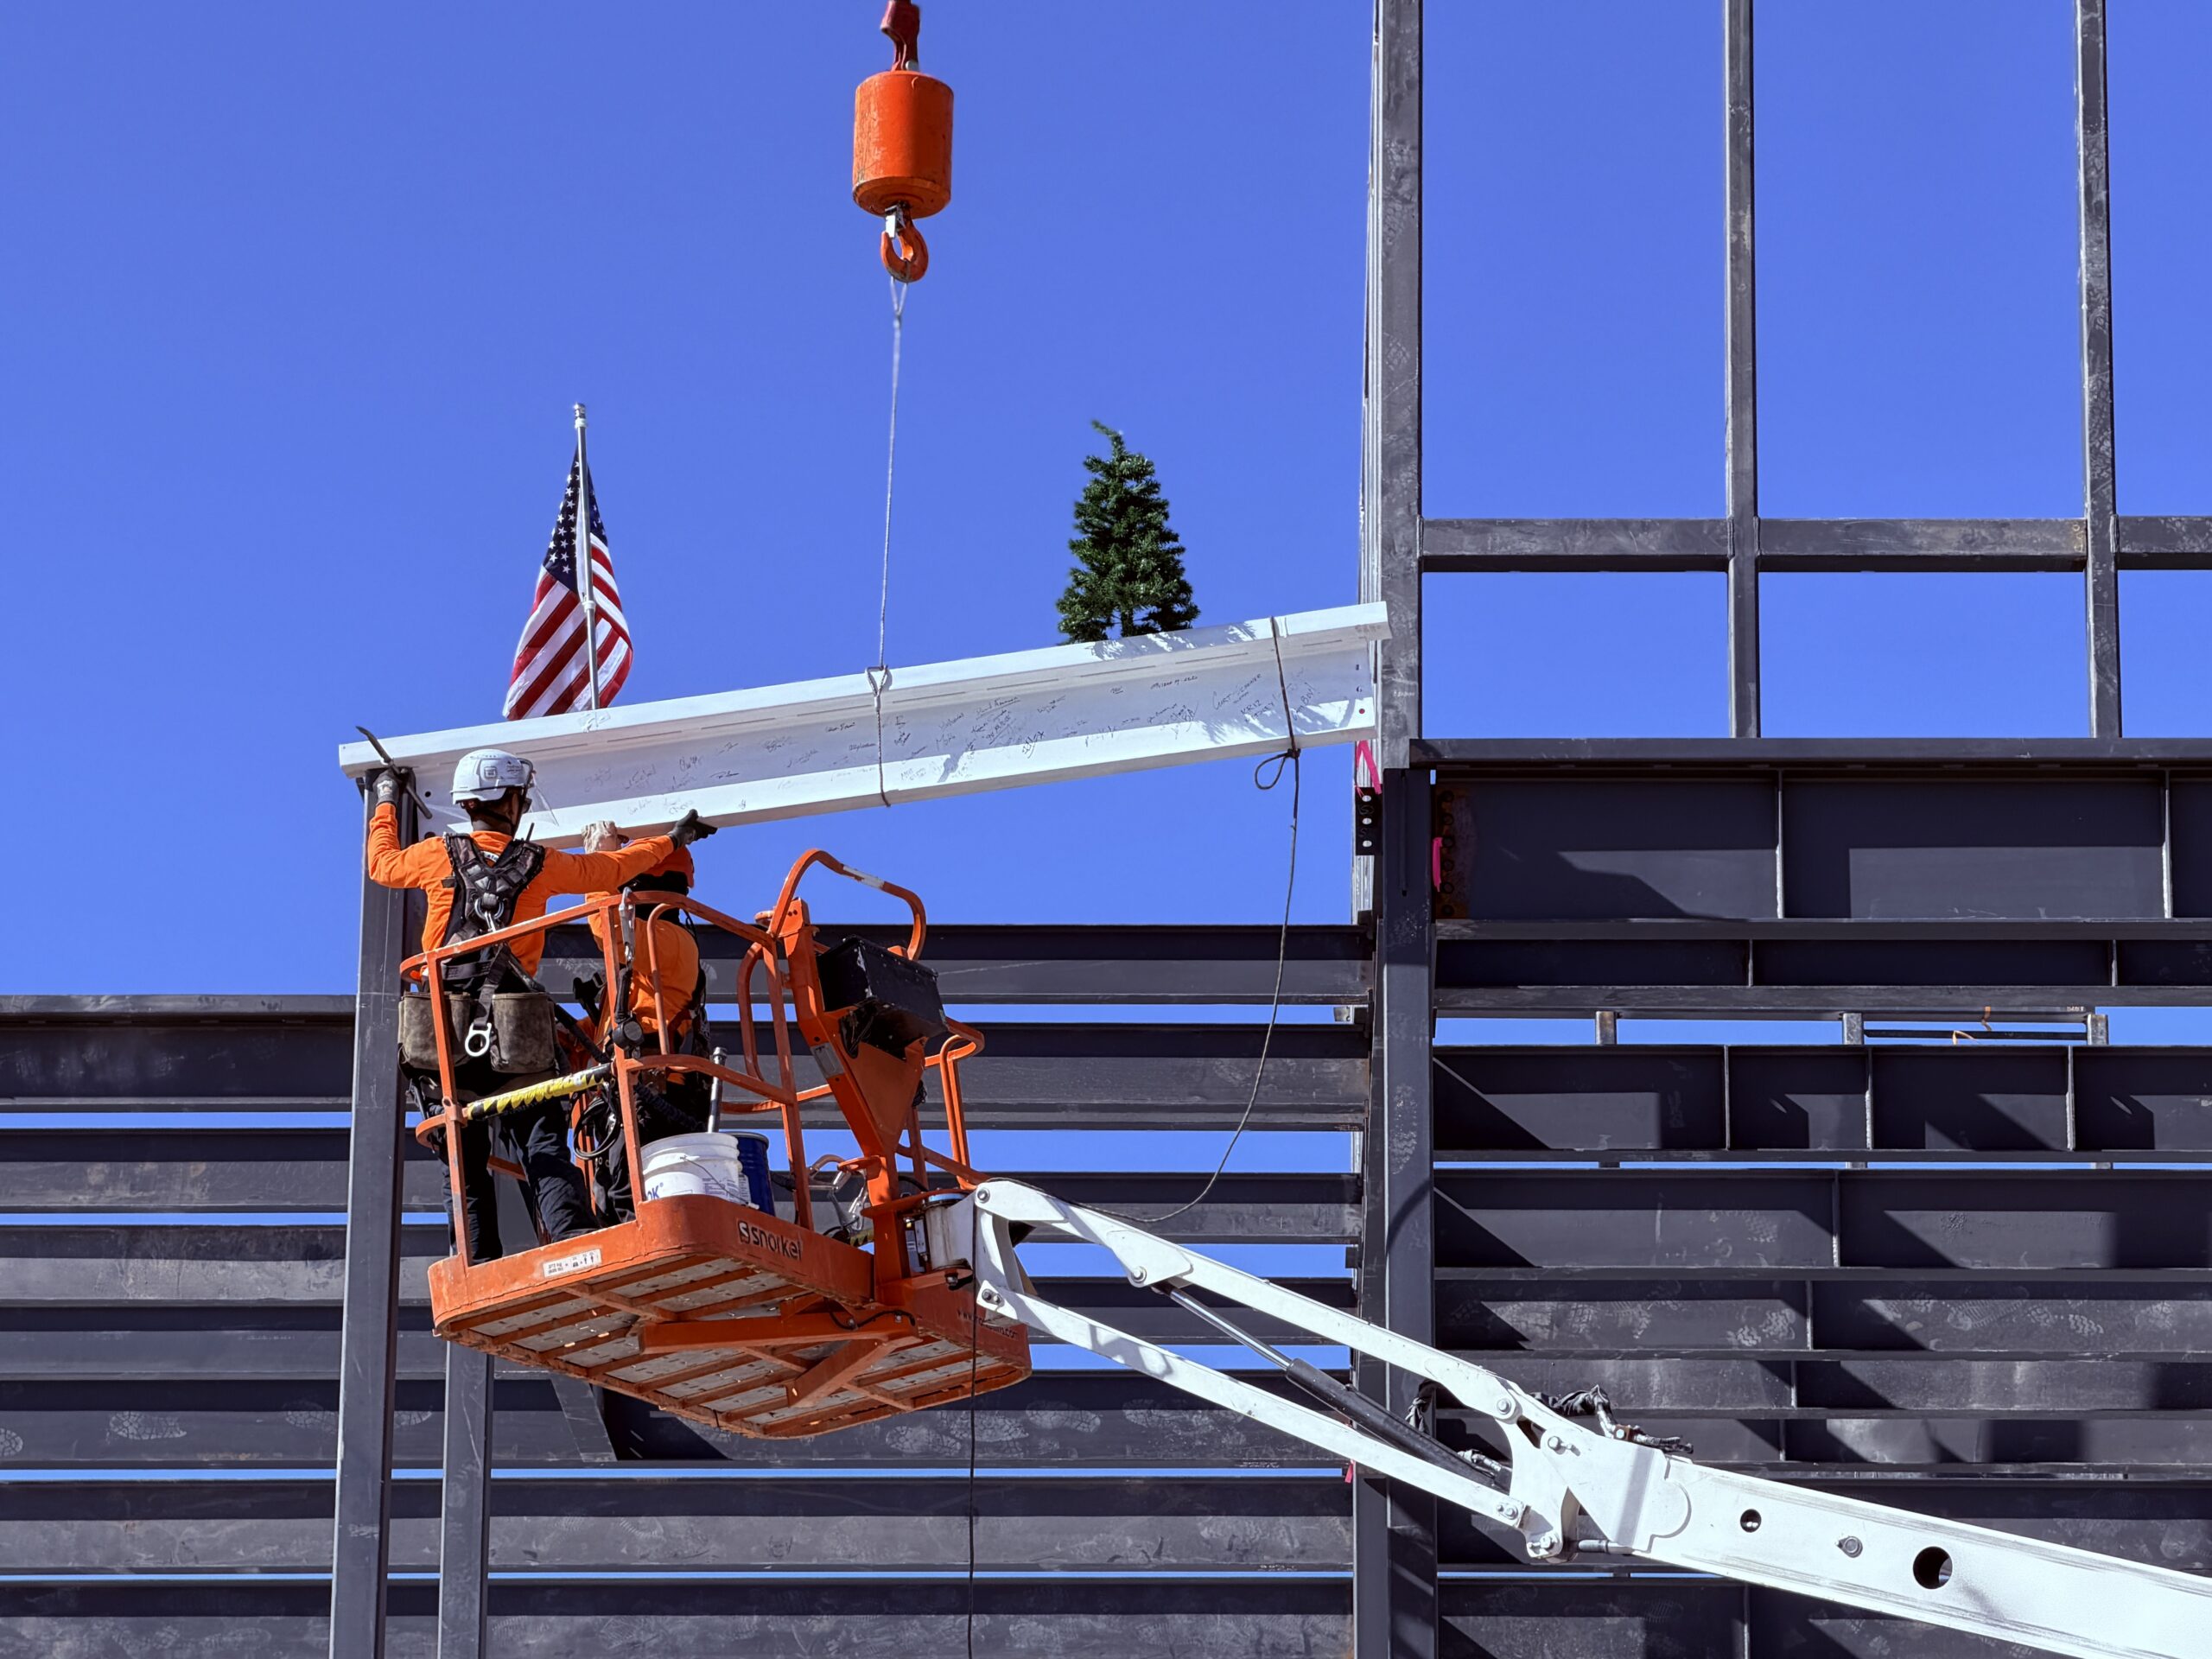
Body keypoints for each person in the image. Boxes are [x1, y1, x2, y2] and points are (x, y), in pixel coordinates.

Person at [364, 747, 718, 1261]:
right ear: (510, 801)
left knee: (462, 1153)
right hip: (514, 1030)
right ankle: (572, 1238)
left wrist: (385, 798)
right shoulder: (539, 863)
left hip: (440, 1031)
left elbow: (381, 863)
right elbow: (608, 869)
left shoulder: (435, 856)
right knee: (541, 1140)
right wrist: (670, 841)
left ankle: (477, 1261)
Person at [571, 828, 713, 1220]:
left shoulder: (663, 934)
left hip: (656, 1091)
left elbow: (606, 927)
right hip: (637, 1089)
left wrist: (601, 868)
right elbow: (640, 1009)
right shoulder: (652, 947)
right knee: (616, 1194)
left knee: (628, 1200)